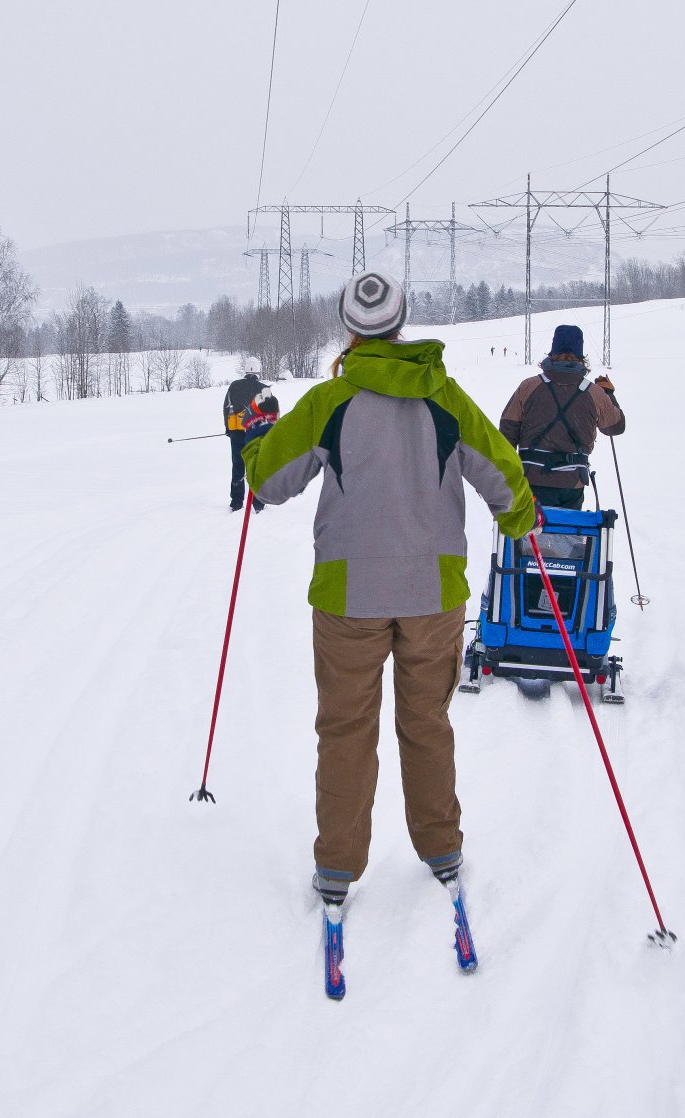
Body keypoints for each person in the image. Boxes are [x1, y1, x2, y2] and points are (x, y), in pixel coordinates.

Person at [239, 271, 536, 957]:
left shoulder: (330, 401)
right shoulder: (447, 399)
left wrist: (258, 441)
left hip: (348, 597)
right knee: (426, 721)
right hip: (433, 594)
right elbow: (503, 474)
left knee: (345, 729)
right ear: (402, 325)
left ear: (351, 330)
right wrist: (520, 516)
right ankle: (442, 851)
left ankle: (338, 867)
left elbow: (267, 480)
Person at [498, 325, 625, 510]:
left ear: (552, 352)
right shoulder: (594, 393)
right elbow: (615, 427)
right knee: (565, 533)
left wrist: (505, 475)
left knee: (528, 534)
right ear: (581, 357)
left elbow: (507, 433)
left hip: (530, 479)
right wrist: (608, 394)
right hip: (571, 483)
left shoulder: (528, 387)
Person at [222, 370, 276, 512]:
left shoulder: (234, 386)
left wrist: (228, 428)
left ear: (245, 371)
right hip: (256, 433)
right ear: (257, 372)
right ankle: (258, 503)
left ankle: (236, 502)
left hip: (236, 432)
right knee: (256, 466)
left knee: (238, 465)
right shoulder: (264, 388)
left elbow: (226, 408)